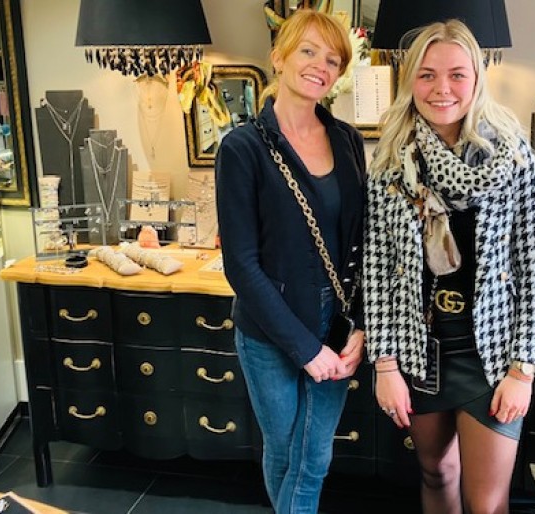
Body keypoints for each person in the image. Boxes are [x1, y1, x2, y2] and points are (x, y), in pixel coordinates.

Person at [363, 20, 535, 514]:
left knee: (485, 503)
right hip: (420, 352)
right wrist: (385, 366)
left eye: (456, 75)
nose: (441, 89)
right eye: (427, 75)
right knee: (436, 472)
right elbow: (378, 271)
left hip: (491, 356)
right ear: (411, 80)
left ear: (477, 79)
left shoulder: (513, 158)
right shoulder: (391, 164)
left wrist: (523, 371)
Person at [215, 9, 367, 514]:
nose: (320, 66)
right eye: (308, 51)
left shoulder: (347, 140)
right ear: (278, 57)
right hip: (269, 328)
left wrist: (361, 325)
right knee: (285, 452)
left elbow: (362, 240)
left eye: (333, 59)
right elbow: (241, 264)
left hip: (337, 320)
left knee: (313, 456)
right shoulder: (243, 148)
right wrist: (305, 349)